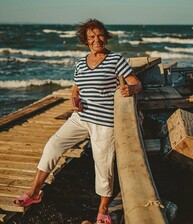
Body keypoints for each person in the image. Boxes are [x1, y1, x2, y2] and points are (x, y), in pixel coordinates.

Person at [13, 19, 142, 224]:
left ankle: (103, 212)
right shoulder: (81, 62)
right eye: (91, 37)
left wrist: (130, 89)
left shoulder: (116, 59)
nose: (96, 40)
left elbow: (137, 83)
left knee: (103, 166)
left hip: (104, 122)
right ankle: (34, 192)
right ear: (86, 41)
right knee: (53, 145)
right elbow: (76, 88)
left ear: (105, 37)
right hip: (80, 118)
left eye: (100, 35)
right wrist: (75, 100)